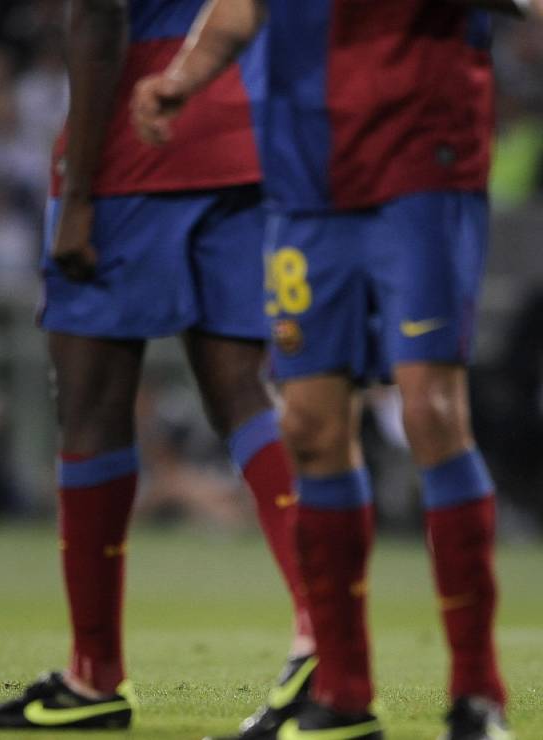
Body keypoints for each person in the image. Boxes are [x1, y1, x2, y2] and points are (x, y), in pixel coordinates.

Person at [132, 1, 531, 737]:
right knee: (311, 426)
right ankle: (344, 696)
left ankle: (476, 693)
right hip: (308, 183)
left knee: (430, 412)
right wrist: (181, 77)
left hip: (422, 170)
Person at [0, 0, 313, 730]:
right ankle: (325, 639)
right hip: (237, 136)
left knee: (90, 407)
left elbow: (97, 16)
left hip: (132, 143)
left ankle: (95, 678)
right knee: (243, 393)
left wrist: (80, 191)